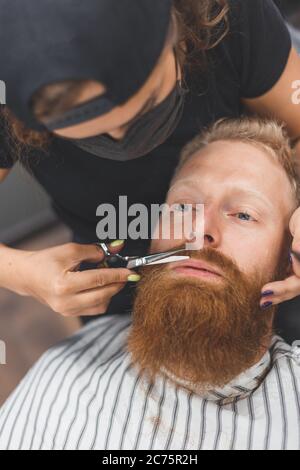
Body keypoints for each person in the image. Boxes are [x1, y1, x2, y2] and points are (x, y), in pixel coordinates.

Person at [1, 117, 299, 451]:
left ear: (290, 258)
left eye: (244, 214)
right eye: (184, 206)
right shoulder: (71, 364)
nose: (198, 230)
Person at [1, 0, 300, 333]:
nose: (122, 138)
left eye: (146, 106)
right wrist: (21, 272)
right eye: (94, 134)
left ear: (178, 33)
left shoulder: (229, 12)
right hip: (109, 254)